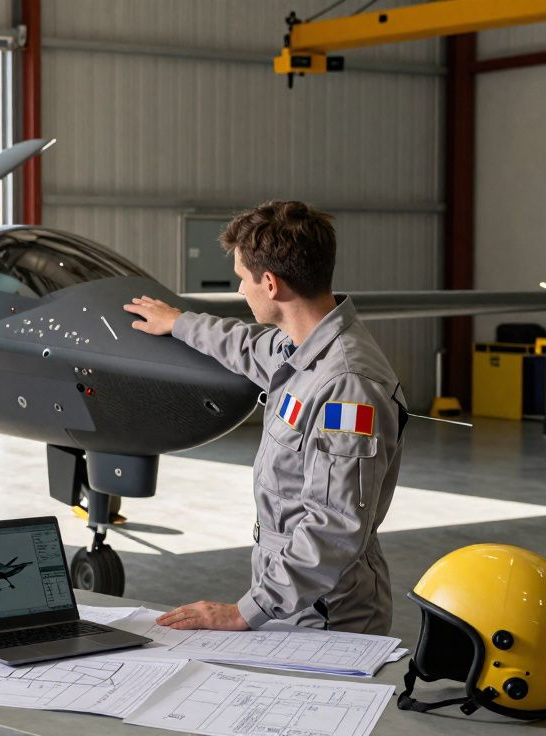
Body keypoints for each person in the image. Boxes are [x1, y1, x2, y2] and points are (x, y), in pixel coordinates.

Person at [122, 200, 406, 636]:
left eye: (242, 279)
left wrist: (245, 611)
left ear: (270, 284)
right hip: (293, 597)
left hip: (329, 612)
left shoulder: (348, 385)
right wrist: (178, 323)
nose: (240, 291)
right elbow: (244, 345)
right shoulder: (301, 347)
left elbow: (335, 528)